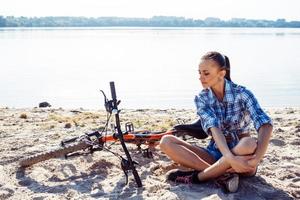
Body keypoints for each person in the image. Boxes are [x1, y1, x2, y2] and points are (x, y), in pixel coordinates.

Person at [159, 51, 273, 192]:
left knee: (249, 143)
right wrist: (229, 158)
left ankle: (200, 177)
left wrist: (257, 159)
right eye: (199, 73)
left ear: (221, 73)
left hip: (243, 157)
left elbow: (265, 124)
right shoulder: (202, 98)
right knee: (166, 141)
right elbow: (214, 129)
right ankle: (222, 175)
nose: (201, 78)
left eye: (206, 73)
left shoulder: (243, 93)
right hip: (215, 153)